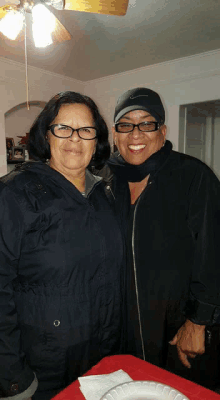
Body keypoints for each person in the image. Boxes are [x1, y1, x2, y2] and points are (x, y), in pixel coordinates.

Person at [0, 91, 124, 400]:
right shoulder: (15, 194)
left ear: (97, 139)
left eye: (85, 130)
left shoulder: (104, 195)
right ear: (46, 134)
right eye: (63, 128)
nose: (74, 138)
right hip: (42, 370)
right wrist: (13, 378)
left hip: (100, 358)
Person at [100, 87, 220, 389]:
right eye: (125, 124)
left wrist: (198, 323)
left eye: (147, 123)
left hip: (177, 330)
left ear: (162, 131)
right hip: (122, 328)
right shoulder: (105, 184)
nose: (135, 133)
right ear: (115, 134)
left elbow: (214, 254)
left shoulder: (193, 177)